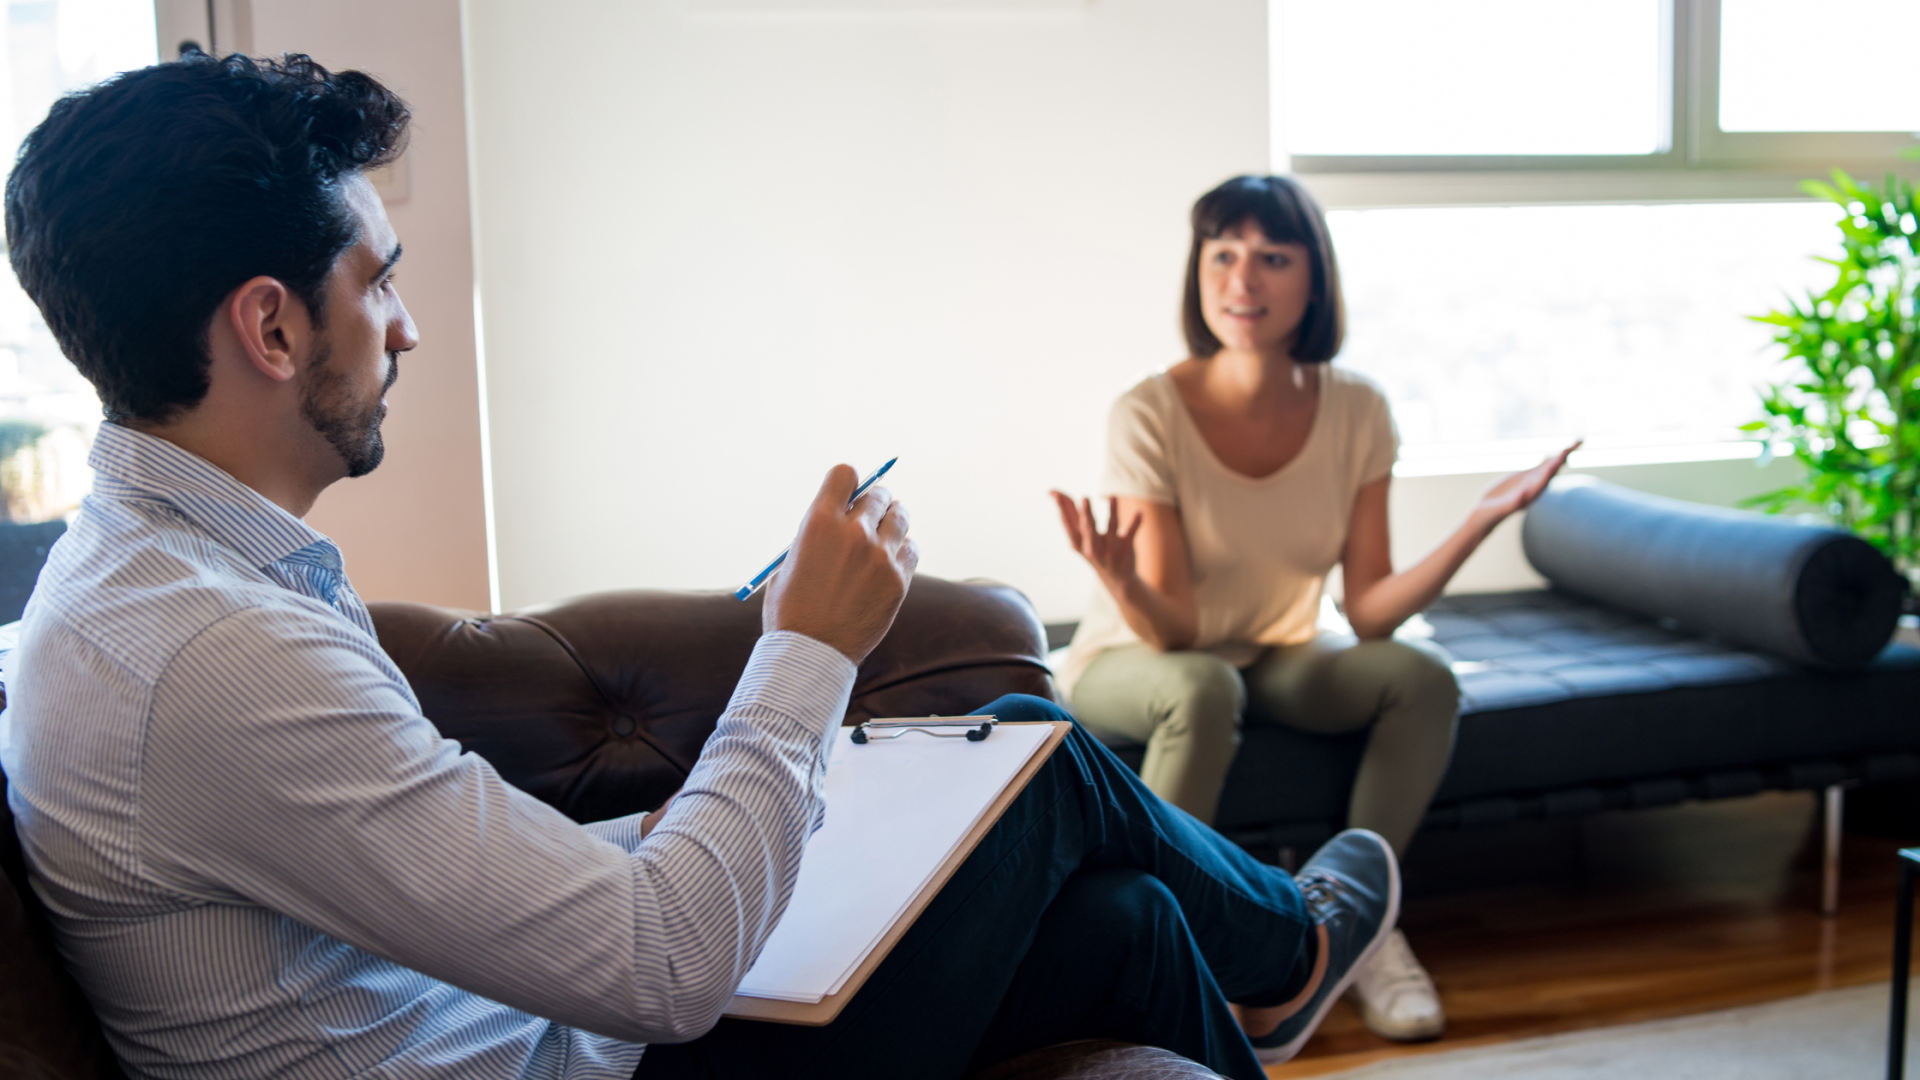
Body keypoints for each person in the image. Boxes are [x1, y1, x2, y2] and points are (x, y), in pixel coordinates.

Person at [0, 55, 1397, 1080]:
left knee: (1125, 910)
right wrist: (810, 650)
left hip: (554, 1021)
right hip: (610, 1047)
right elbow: (655, 965)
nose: (407, 328)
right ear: (270, 327)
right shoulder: (210, 655)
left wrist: (809, 799)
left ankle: (1269, 970)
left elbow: (474, 875)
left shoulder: (167, 576)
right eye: (378, 281)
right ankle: (1286, 956)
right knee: (1033, 755)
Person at [1050, 175, 1574, 1043]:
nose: (1241, 281)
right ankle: (1161, 959)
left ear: (1312, 280)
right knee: (1204, 686)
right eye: (1223, 255)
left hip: (1280, 646)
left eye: (1271, 258)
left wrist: (1481, 521)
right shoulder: (1150, 411)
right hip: (1136, 656)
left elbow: (1369, 611)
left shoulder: (1357, 409)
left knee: (1420, 678)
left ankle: (1354, 934)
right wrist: (1120, 580)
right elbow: (1175, 630)